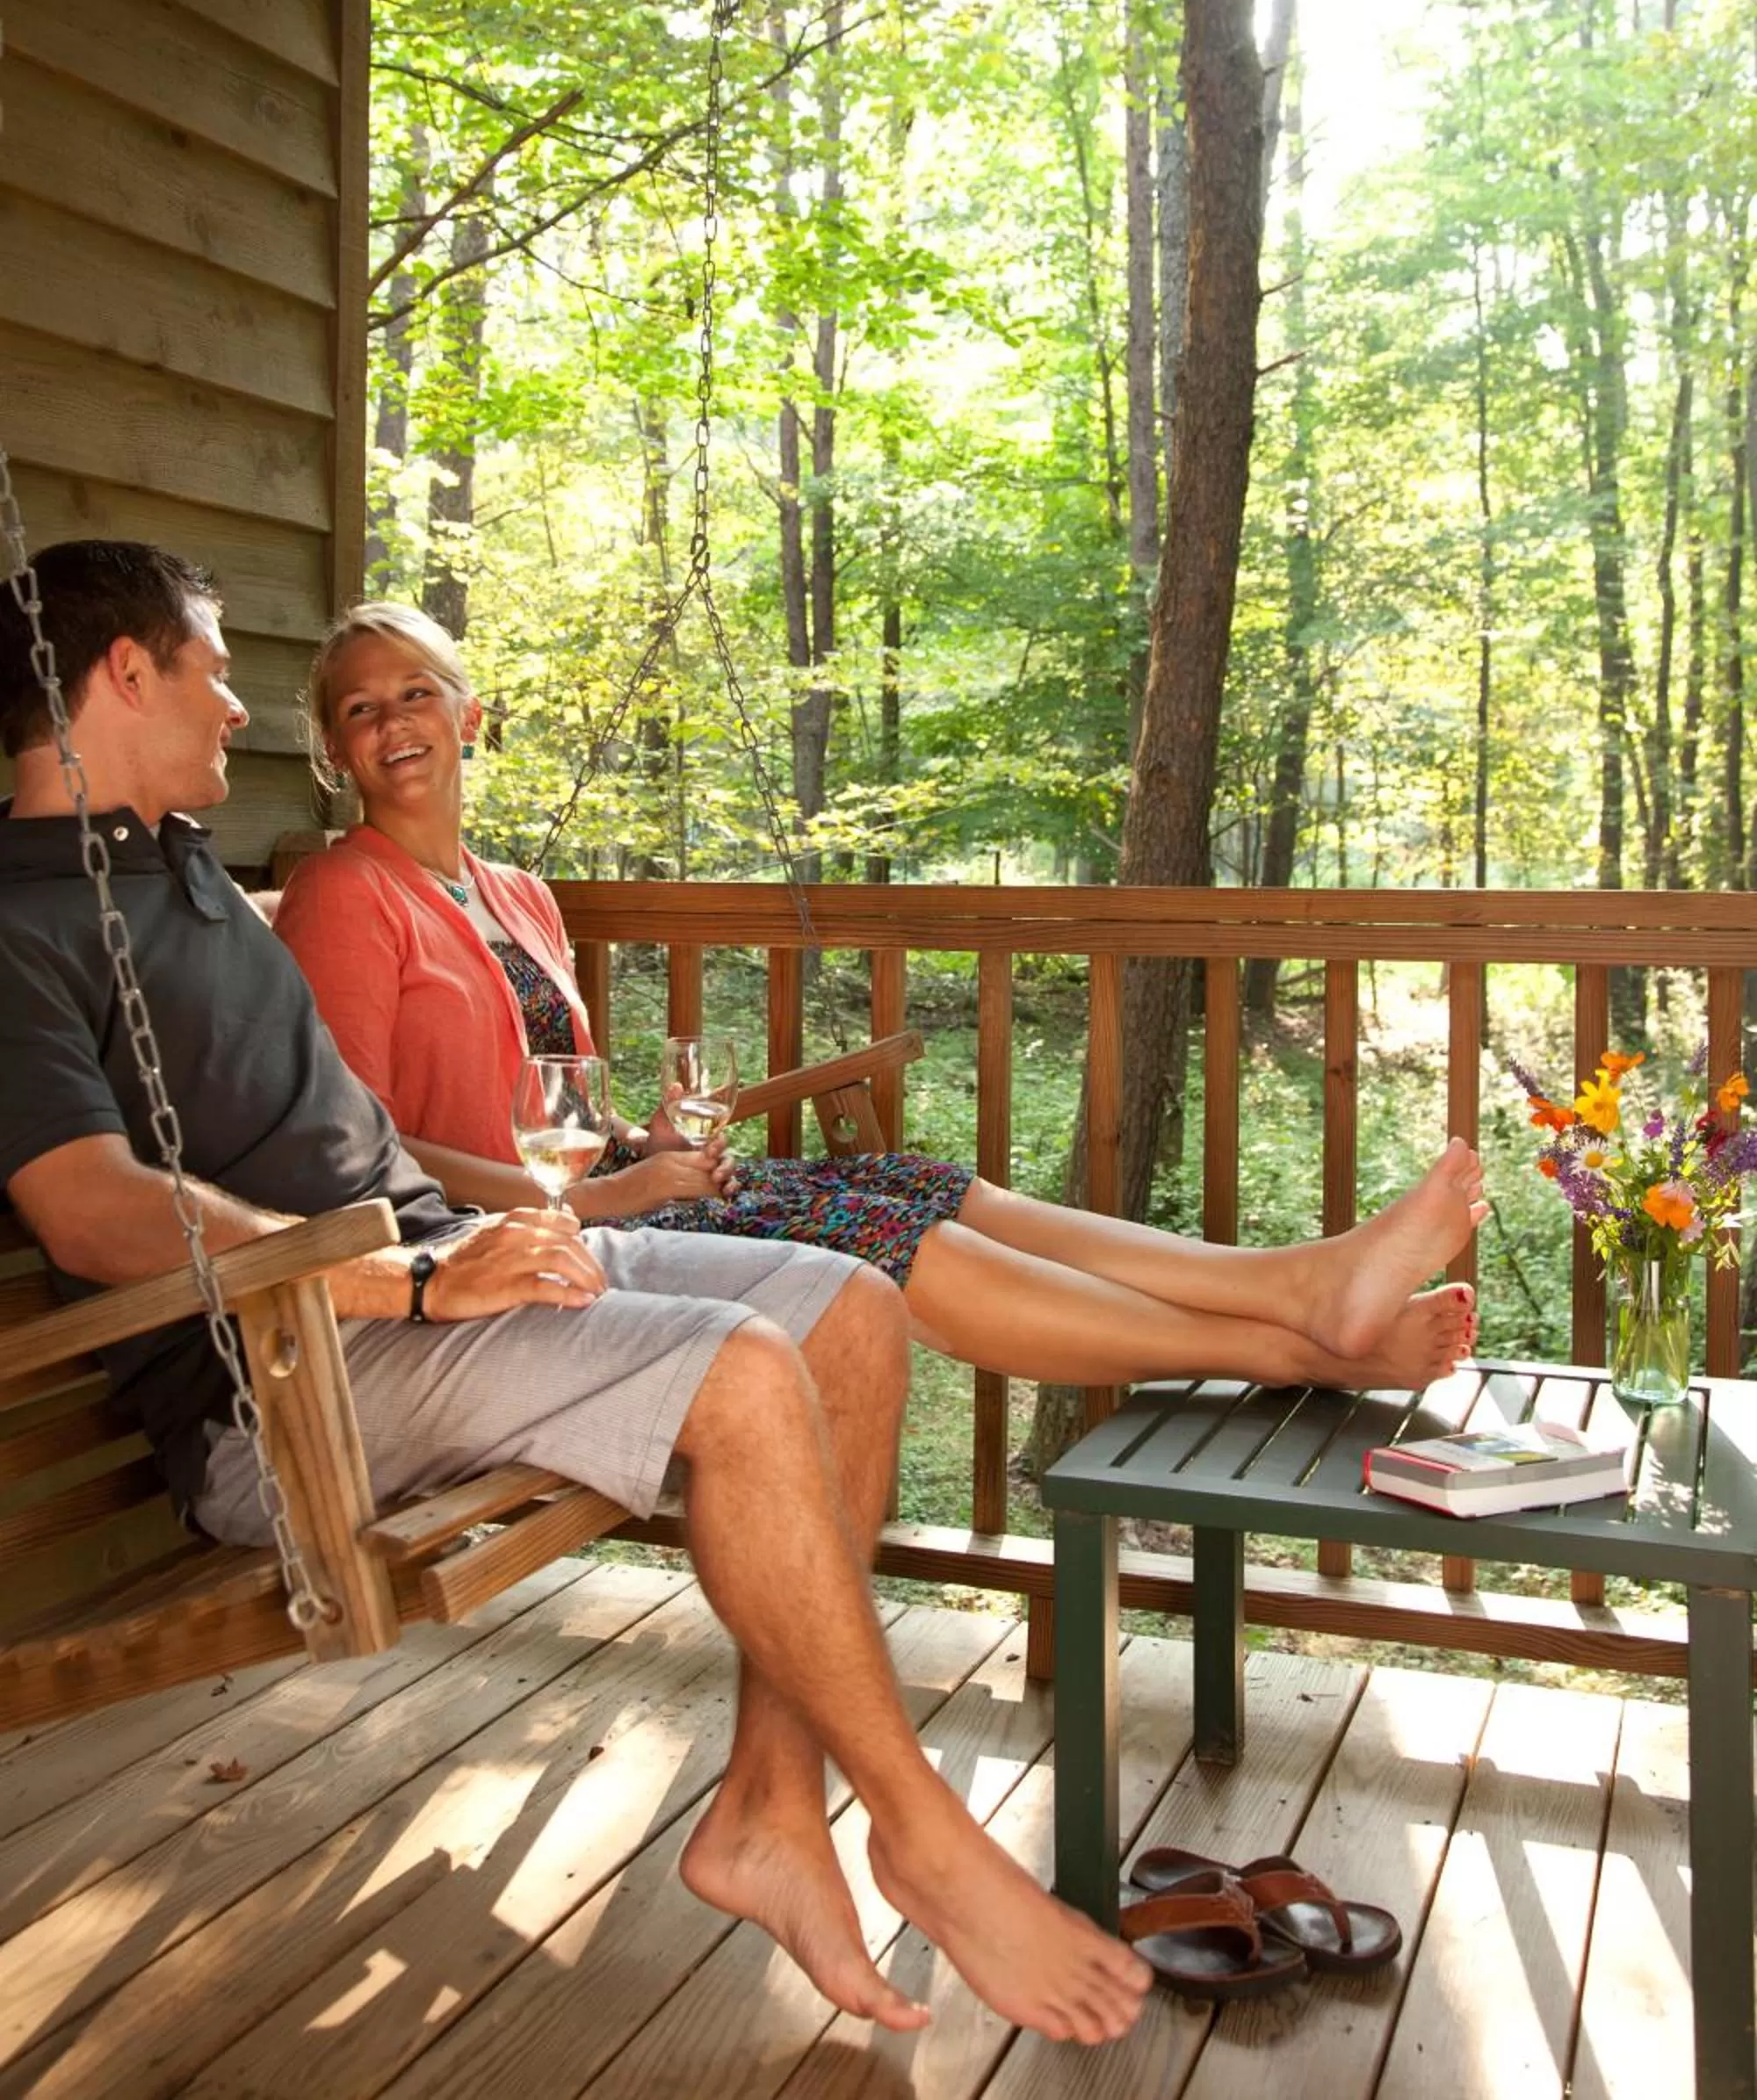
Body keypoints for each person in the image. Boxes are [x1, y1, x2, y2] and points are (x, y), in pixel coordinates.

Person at [0, 539, 1152, 2047]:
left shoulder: (179, 868)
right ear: (127, 672)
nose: (235, 710)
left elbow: (352, 1132)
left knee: (847, 1310)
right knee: (741, 1370)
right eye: (215, 670)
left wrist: (512, 1221)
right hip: (289, 1385)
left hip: (431, 1279)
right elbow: (89, 1210)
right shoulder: (22, 923)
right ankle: (922, 1826)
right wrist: (404, 1282)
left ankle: (768, 1807)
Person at [276, 601, 1486, 1396]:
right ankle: (1297, 1345)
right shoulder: (344, 893)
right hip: (519, 1250)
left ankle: (1295, 1287)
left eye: (415, 693)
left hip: (602, 1199)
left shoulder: (517, 895)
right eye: (360, 709)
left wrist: (645, 1144)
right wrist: (627, 1185)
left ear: (469, 714)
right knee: (882, 1241)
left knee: (916, 1182)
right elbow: (379, 1158)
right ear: (337, 752)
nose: (393, 723)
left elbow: (544, 1100)